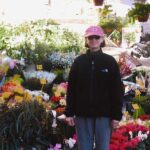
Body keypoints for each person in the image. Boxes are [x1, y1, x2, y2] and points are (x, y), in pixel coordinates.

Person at [65, 25, 124, 150]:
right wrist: (69, 113)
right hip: (82, 114)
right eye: (90, 37)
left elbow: (117, 90)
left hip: (104, 115)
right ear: (86, 40)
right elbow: (71, 89)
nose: (93, 40)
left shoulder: (110, 62)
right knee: (84, 147)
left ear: (102, 39)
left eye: (97, 37)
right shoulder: (79, 62)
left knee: (102, 147)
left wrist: (116, 115)